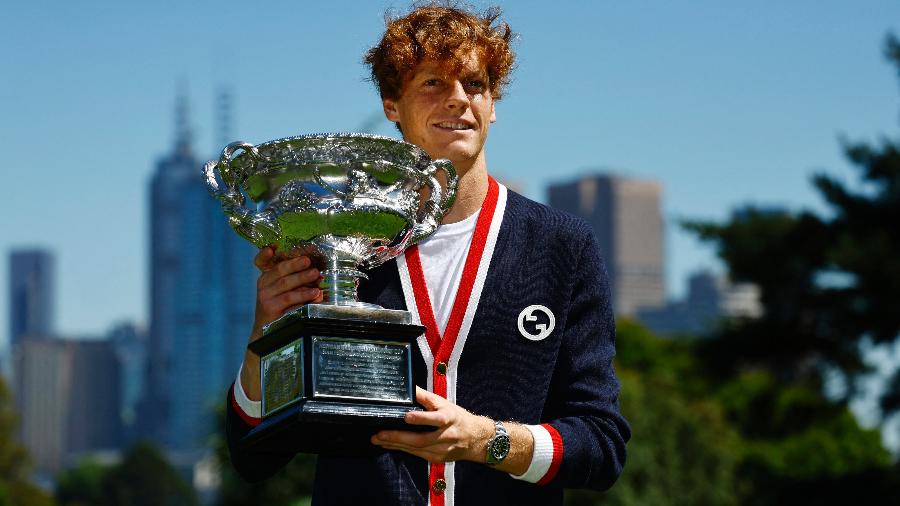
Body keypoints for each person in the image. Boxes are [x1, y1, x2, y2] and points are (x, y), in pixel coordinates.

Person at [225, 4, 630, 505]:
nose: (458, 100)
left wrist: (487, 442)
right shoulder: (339, 249)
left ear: (494, 103)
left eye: (475, 84)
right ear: (392, 105)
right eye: (434, 83)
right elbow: (253, 457)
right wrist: (264, 337)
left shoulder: (561, 245)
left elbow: (602, 447)